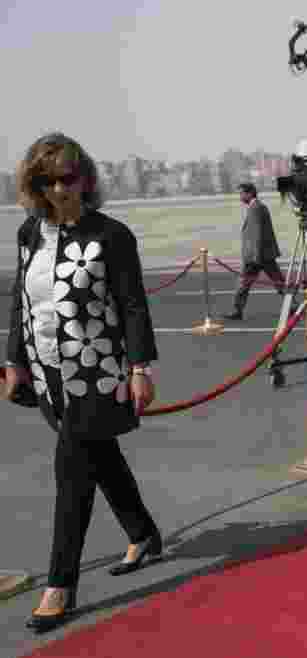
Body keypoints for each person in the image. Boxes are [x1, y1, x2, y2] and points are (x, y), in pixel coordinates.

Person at [4, 133, 162, 633]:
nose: (58, 189)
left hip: (96, 372)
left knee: (72, 471)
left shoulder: (111, 236)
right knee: (99, 457)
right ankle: (143, 532)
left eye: (67, 178)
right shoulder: (29, 233)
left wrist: (140, 369)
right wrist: (14, 363)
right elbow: (21, 302)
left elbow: (134, 307)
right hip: (47, 370)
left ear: (86, 179)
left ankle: (60, 585)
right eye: (46, 181)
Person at [221, 182, 286, 321]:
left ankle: (237, 311)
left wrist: (255, 256)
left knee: (244, 283)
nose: (240, 196)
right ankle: (292, 306)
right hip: (264, 254)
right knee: (278, 281)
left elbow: (257, 234)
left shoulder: (255, 208)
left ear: (249, 193)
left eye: (241, 193)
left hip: (257, 256)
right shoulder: (257, 206)